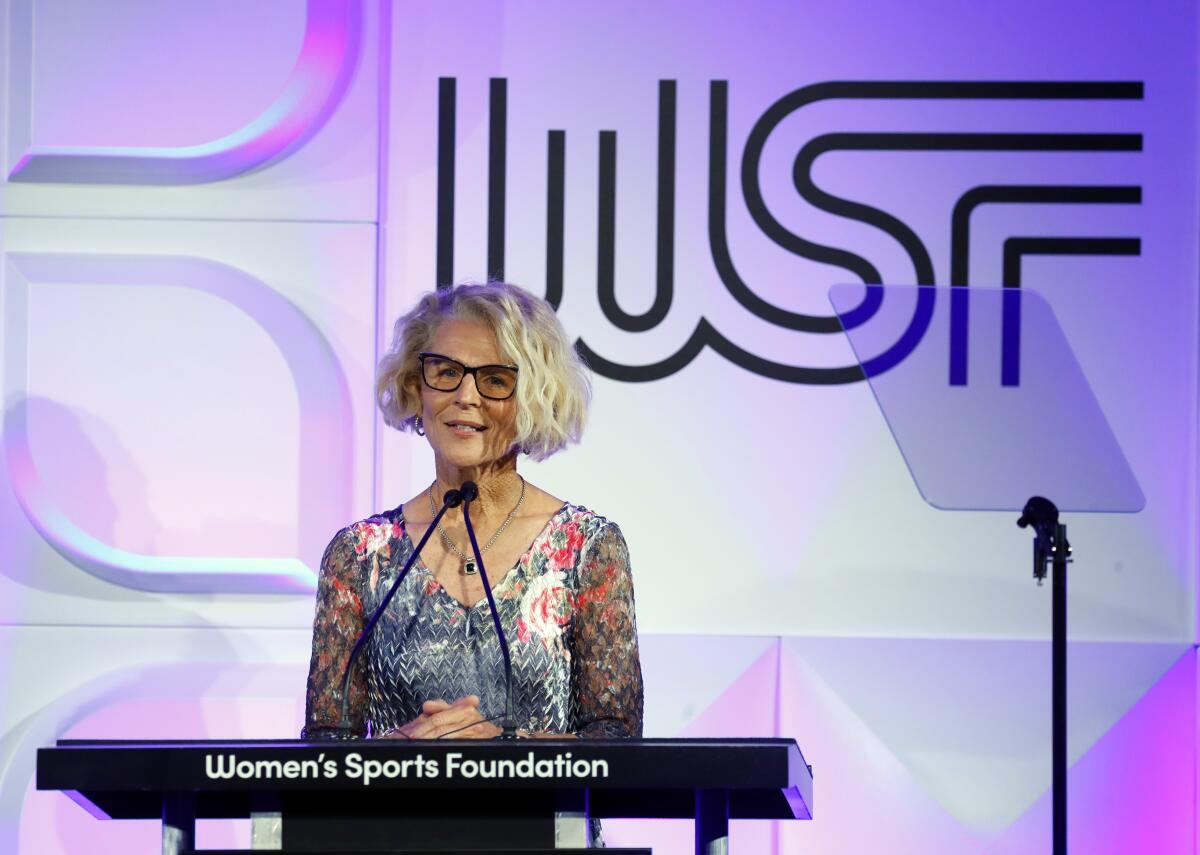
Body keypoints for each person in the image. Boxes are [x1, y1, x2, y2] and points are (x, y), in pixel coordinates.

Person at [302, 282, 643, 740]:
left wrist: (503, 748)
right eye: (445, 372)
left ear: (533, 401)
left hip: (540, 813)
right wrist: (395, 749)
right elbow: (325, 744)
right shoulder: (360, 555)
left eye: (494, 380)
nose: (465, 396)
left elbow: (617, 741)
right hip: (395, 812)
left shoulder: (586, 548)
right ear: (414, 387)